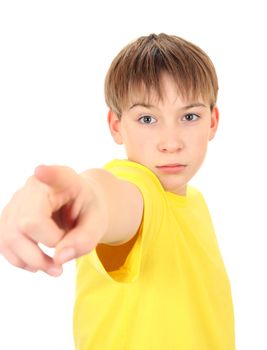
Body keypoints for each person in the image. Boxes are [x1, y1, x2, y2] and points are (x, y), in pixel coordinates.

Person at [0, 33, 235, 349]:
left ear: (212, 122)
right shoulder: (138, 188)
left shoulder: (197, 203)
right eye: (147, 118)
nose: (171, 141)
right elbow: (109, 195)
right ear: (116, 126)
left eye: (189, 116)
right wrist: (84, 200)